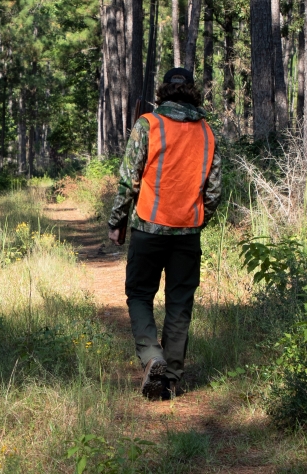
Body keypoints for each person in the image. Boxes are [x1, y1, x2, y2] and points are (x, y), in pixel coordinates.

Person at [107, 67, 222, 400]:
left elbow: (129, 179)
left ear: (163, 92)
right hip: (187, 233)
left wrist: (117, 221)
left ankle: (151, 356)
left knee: (140, 294)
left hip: (148, 228)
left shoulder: (148, 125)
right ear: (192, 92)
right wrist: (197, 220)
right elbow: (213, 193)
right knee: (179, 304)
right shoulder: (207, 133)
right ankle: (170, 378)